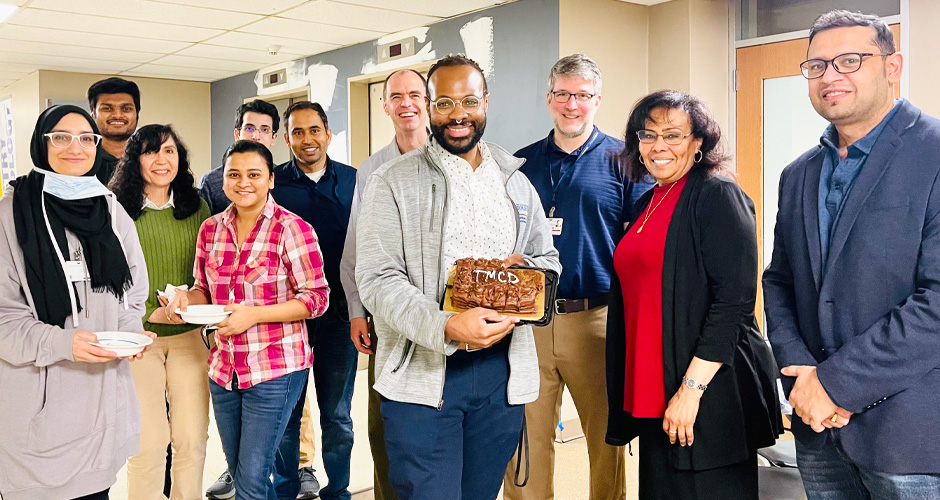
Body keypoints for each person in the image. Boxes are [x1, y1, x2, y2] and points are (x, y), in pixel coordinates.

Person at [355, 54, 561, 500]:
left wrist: (528, 275)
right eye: (444, 102)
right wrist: (446, 324)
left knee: (480, 493)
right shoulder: (391, 181)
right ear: (428, 106)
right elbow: (376, 277)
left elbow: (547, 258)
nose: (458, 114)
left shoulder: (514, 182)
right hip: (424, 372)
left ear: (486, 101)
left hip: (500, 374)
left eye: (469, 101)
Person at [763, 10, 940, 498]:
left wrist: (835, 385)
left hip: (909, 432)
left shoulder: (934, 154)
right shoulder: (798, 174)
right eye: (816, 66)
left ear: (892, 65)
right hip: (818, 429)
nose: (830, 75)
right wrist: (800, 369)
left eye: (849, 60)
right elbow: (780, 281)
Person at [606, 90, 781, 499]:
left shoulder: (717, 196)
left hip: (705, 389)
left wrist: (690, 391)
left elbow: (734, 303)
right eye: (647, 136)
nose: (658, 146)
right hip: (653, 387)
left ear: (698, 142)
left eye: (673, 135)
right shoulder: (648, 201)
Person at [503, 54, 651, 500]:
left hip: (596, 321)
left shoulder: (625, 162)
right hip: (529, 322)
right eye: (564, 94)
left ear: (597, 101)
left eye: (583, 96)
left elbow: (642, 242)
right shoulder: (519, 164)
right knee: (525, 440)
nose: (572, 104)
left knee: (606, 438)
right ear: (549, 99)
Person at [0, 104, 153, 499]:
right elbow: (3, 317)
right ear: (41, 144)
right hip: (40, 407)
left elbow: (132, 292)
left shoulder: (111, 211)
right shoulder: (9, 217)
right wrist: (62, 343)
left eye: (87, 138)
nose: (76, 148)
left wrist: (130, 333)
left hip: (101, 401)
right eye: (61, 137)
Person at [165, 140, 330, 500]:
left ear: (271, 179)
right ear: (222, 180)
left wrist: (253, 316)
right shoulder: (211, 230)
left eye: (254, 174)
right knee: (242, 475)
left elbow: (316, 299)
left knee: (253, 480)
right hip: (225, 368)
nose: (243, 182)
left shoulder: (292, 229)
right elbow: (203, 290)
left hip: (276, 366)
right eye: (233, 174)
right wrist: (183, 300)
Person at [339, 68, 429, 500]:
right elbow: (356, 247)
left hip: (447, 315)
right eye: (397, 95)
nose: (406, 103)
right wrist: (357, 309)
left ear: (428, 101)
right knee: (386, 426)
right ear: (385, 105)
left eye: (415, 94)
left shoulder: (457, 155)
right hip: (388, 320)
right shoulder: (372, 169)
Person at [109, 124, 212, 500]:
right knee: (149, 443)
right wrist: (153, 313)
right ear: (135, 160)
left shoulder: (197, 208)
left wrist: (191, 302)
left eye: (169, 151)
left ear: (179, 159)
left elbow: (206, 275)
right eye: (151, 152)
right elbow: (108, 280)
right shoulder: (115, 210)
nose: (161, 160)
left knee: (191, 439)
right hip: (139, 340)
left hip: (189, 339)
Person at [272, 101, 356, 500]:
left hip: (340, 319)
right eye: (298, 132)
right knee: (286, 416)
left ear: (328, 133)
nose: (307, 140)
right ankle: (286, 489)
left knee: (337, 415)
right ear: (287, 138)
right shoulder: (272, 184)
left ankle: (338, 491)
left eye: (314, 130)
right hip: (287, 319)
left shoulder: (356, 181)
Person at [200, 100, 280, 216]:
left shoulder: (282, 177)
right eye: (249, 128)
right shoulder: (211, 181)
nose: (256, 136)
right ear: (237, 134)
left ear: (273, 138)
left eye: (264, 130)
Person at [88, 77, 141, 184]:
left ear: (137, 115)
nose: (117, 115)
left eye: (126, 109)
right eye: (107, 108)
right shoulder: (81, 160)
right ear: (93, 115)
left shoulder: (151, 161)